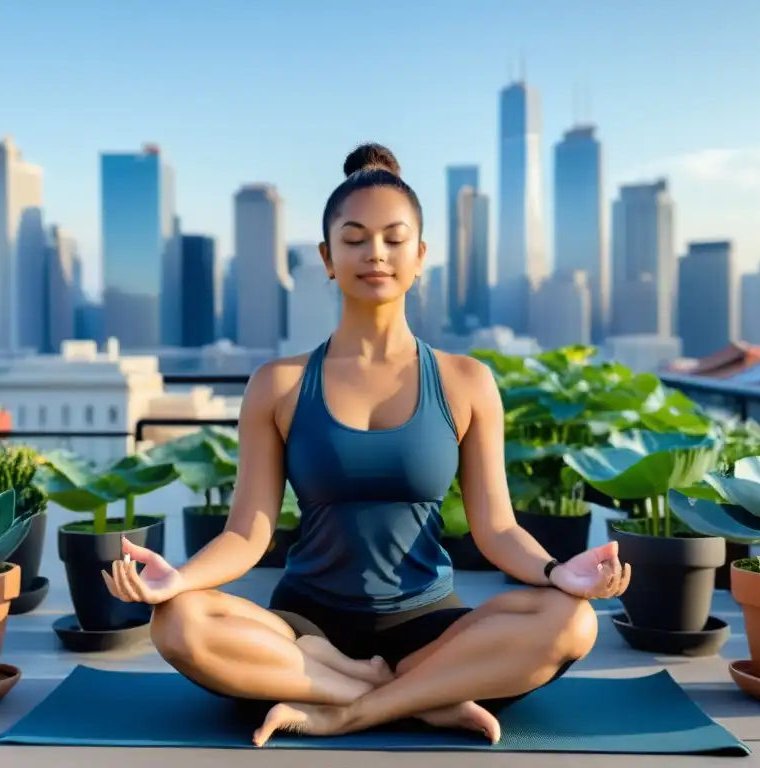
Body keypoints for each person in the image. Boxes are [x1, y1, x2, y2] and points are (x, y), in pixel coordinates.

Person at [103, 143, 631, 748]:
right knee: (179, 623)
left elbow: (497, 528)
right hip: (306, 629)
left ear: (419, 256)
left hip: (431, 624)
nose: (374, 254)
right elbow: (246, 533)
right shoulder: (279, 384)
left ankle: (346, 707)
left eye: (393, 238)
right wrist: (178, 580)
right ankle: (417, 696)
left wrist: (557, 571)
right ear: (327, 258)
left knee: (571, 620)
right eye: (353, 239)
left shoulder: (466, 382)